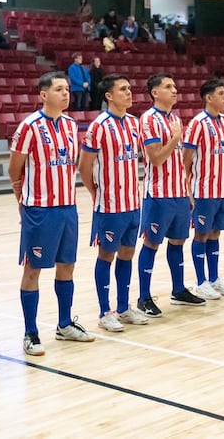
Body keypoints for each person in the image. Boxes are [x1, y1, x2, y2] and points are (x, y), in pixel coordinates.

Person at [8, 71, 95, 356]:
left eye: (67, 89)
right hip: (40, 210)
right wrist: (24, 201)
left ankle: (64, 323)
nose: (66, 93)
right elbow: (14, 170)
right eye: (59, 89)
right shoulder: (29, 126)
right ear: (43, 95)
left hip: (67, 208)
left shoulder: (71, 125)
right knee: (33, 270)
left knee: (66, 266)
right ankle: (30, 332)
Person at [79, 74, 149, 331]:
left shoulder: (134, 123)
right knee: (106, 254)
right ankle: (104, 311)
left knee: (128, 253)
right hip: (109, 205)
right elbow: (84, 166)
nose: (129, 93)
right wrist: (95, 192)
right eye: (123, 89)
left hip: (133, 202)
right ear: (109, 96)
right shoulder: (98, 126)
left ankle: (123, 307)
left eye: (130, 88)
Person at [137, 73, 205, 316]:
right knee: (151, 243)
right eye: (168, 87)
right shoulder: (148, 120)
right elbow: (155, 158)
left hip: (178, 193)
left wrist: (186, 190)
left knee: (178, 241)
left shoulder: (173, 118)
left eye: (175, 86)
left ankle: (178, 289)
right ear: (155, 92)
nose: (175, 90)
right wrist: (176, 138)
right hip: (158, 194)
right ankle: (144, 297)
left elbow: (178, 161)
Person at [182, 78, 224, 299]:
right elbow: (185, 160)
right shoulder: (197, 123)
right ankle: (201, 281)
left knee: (215, 234)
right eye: (221, 93)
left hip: (222, 190)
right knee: (201, 234)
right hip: (203, 190)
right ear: (208, 97)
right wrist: (187, 191)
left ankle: (214, 278)